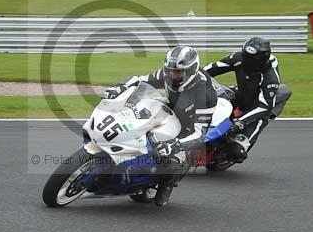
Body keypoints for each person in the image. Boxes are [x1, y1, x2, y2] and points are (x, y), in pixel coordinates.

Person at [102, 45, 217, 206]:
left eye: (177, 72)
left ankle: (167, 184)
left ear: (190, 71)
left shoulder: (206, 94)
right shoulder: (168, 73)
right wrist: (120, 86)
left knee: (176, 159)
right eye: (169, 70)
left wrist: (176, 145)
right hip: (171, 108)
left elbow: (200, 133)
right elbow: (141, 80)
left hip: (190, 126)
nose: (172, 75)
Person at [203, 37, 291, 163]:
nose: (245, 61)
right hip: (242, 94)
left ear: (260, 60)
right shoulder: (239, 58)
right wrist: (191, 75)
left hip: (258, 109)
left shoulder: (270, 76)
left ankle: (222, 152)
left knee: (236, 152)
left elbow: (264, 106)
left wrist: (239, 123)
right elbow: (212, 68)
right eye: (245, 56)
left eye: (250, 59)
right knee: (218, 94)